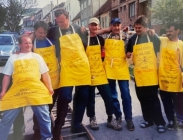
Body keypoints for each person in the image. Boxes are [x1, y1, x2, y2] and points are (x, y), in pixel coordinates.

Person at [0, 35, 53, 140]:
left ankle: (47, 138)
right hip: (18, 92)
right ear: (20, 45)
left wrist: (49, 88)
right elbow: (7, 76)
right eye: (25, 43)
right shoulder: (13, 57)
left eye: (30, 43)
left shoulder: (37, 57)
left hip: (35, 91)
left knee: (45, 118)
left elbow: (45, 74)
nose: (28, 45)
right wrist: (3, 91)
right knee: (6, 119)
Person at [47, 8, 91, 139]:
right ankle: (58, 128)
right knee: (65, 97)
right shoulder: (53, 31)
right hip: (66, 69)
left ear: (68, 18)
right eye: (58, 21)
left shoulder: (78, 29)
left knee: (82, 97)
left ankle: (76, 124)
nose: (60, 23)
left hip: (81, 68)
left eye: (62, 21)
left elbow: (86, 44)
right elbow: (38, 35)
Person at [126, 16, 166, 133]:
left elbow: (161, 50)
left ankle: (160, 122)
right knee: (142, 99)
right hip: (139, 76)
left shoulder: (153, 37)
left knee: (154, 99)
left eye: (140, 28)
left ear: (146, 27)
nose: (137, 30)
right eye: (136, 27)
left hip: (152, 75)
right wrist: (128, 54)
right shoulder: (133, 39)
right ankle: (148, 120)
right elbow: (128, 51)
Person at [85, 17, 122, 131]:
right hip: (88, 74)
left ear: (98, 26)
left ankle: (110, 119)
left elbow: (103, 55)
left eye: (96, 25)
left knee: (108, 97)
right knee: (90, 99)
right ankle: (92, 118)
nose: (94, 27)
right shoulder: (83, 40)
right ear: (89, 26)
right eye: (92, 25)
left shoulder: (101, 40)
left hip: (101, 73)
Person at [158, 22, 183, 130]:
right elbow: (151, 35)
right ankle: (171, 120)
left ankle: (181, 120)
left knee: (179, 102)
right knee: (166, 102)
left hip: (176, 80)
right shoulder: (163, 41)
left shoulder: (182, 45)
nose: (168, 33)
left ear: (177, 31)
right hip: (163, 80)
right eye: (167, 31)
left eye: (170, 31)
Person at [104, 17, 134, 131]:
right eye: (114, 25)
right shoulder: (105, 36)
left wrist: (128, 54)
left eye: (118, 25)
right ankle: (118, 115)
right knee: (113, 95)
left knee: (126, 95)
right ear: (111, 26)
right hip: (110, 69)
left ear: (121, 25)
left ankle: (129, 119)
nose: (116, 27)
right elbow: (95, 32)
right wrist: (107, 30)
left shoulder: (126, 36)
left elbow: (130, 48)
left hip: (122, 69)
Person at [31, 21, 60, 140]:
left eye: (44, 32)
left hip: (54, 80)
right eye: (40, 32)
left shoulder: (52, 42)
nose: (42, 35)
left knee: (49, 106)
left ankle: (46, 127)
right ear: (35, 31)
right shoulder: (32, 45)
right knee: (38, 106)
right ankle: (37, 129)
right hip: (39, 82)